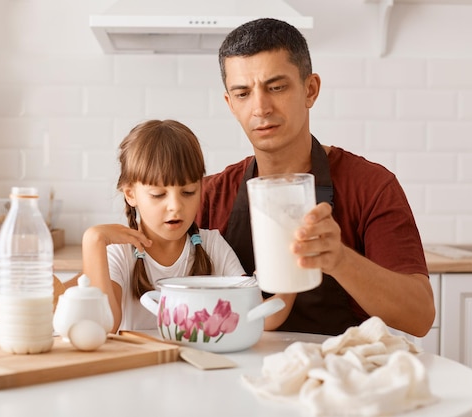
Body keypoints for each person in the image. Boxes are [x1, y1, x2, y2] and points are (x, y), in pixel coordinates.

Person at [196, 18, 435, 337]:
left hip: (338, 375)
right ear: (230, 104)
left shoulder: (372, 186)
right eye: (243, 94)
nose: (260, 108)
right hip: (234, 373)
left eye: (276, 87)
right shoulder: (209, 194)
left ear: (310, 90)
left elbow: (419, 317)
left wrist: (339, 260)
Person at [82, 119, 246, 332]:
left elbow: (259, 314)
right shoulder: (119, 254)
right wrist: (93, 240)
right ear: (131, 194)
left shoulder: (213, 245)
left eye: (188, 192)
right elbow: (103, 327)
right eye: (158, 195)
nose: (175, 206)